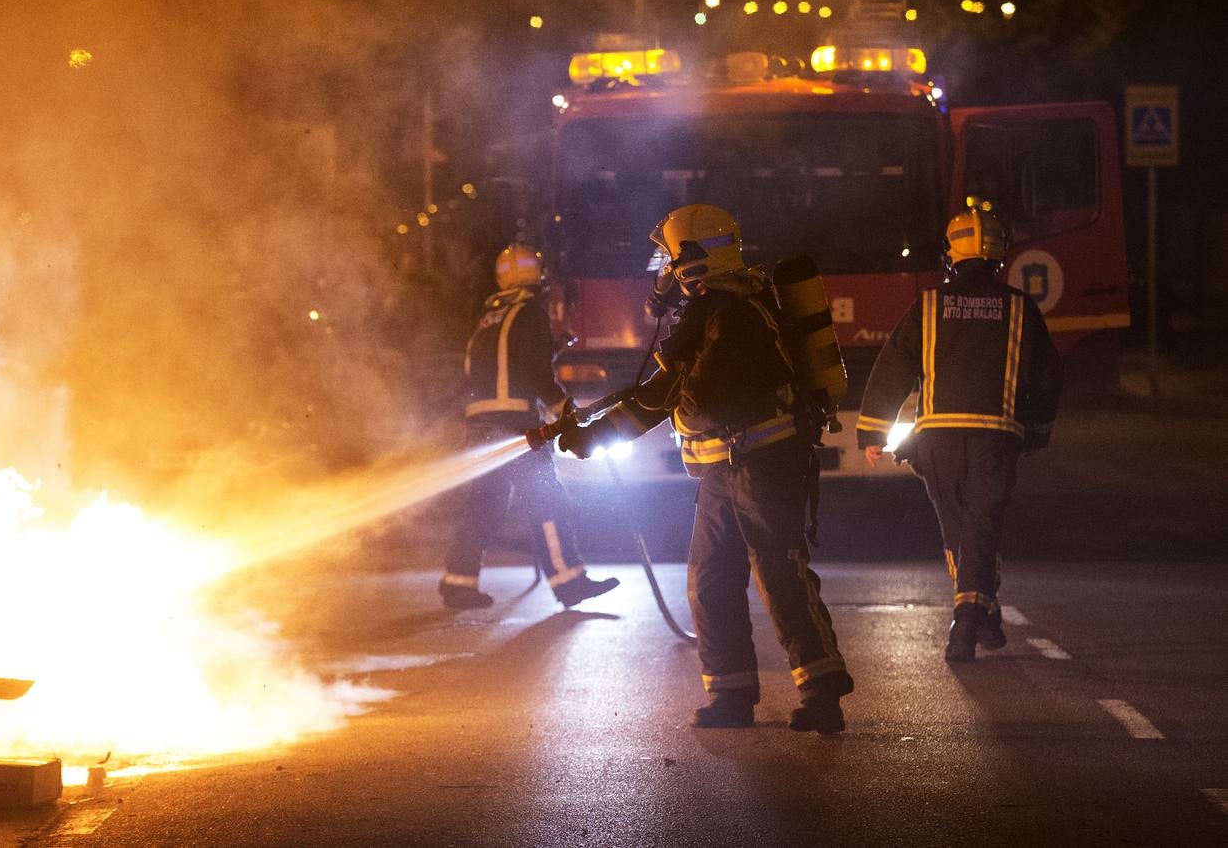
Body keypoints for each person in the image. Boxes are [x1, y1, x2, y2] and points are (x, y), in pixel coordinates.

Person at [558, 205, 853, 732]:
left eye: (670, 261)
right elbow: (664, 391)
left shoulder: (726, 312)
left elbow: (668, 393)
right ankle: (731, 695)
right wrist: (594, 425)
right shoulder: (727, 307)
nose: (665, 273)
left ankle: (822, 690)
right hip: (724, 469)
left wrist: (596, 435)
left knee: (779, 573)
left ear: (691, 259)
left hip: (761, 464)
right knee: (712, 580)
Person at [856, 208, 1062, 662]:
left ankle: (980, 616)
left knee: (958, 527)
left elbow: (894, 366)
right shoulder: (1020, 307)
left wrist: (872, 429)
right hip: (996, 437)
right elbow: (1047, 377)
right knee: (981, 526)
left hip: (936, 441)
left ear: (950, 256)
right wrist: (1039, 429)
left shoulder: (928, 305)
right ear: (999, 258)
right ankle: (969, 617)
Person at [440, 243, 619, 610]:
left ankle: (457, 583)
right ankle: (569, 582)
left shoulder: (489, 317)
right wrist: (564, 409)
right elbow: (535, 371)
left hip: (481, 427)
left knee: (484, 505)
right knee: (547, 500)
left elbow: (503, 364)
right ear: (536, 275)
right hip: (516, 426)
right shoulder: (530, 313)